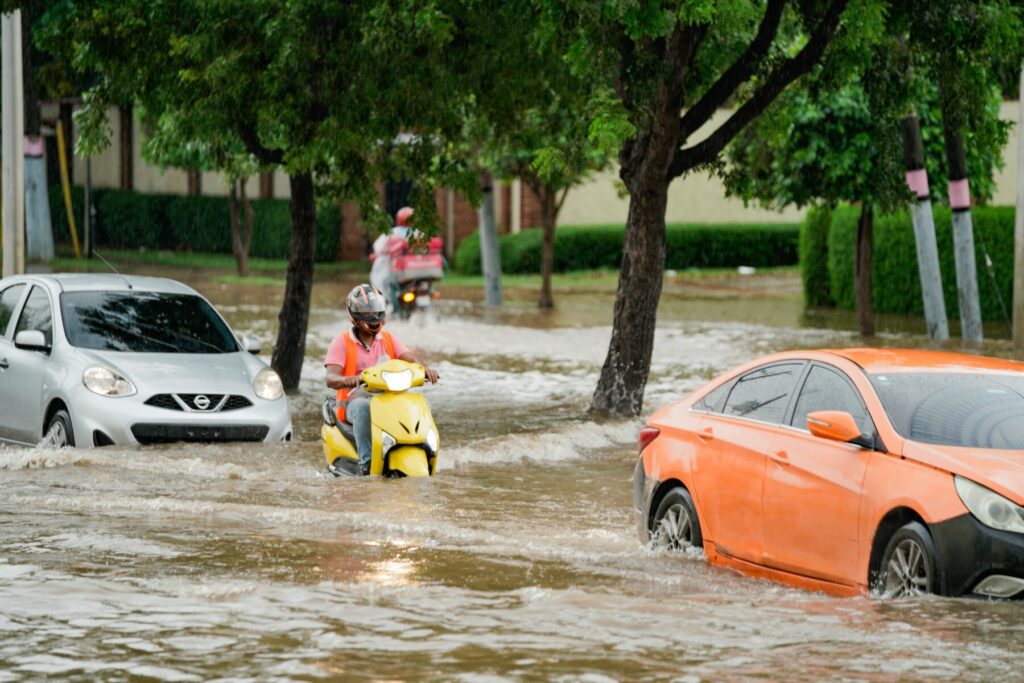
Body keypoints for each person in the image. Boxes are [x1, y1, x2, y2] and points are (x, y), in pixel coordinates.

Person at [324, 284, 439, 475]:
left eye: (376, 311)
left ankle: (425, 448)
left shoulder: (388, 339)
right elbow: (330, 377)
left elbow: (410, 357)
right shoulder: (341, 342)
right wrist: (350, 380)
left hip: (388, 399)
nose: (373, 316)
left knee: (421, 402)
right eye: (366, 312)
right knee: (363, 408)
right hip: (353, 402)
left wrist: (425, 369)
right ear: (354, 315)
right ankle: (367, 463)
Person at [369, 207, 415, 309]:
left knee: (386, 283)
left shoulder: (391, 233)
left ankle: (389, 304)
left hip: (399, 273)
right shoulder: (419, 234)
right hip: (417, 274)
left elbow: (378, 248)